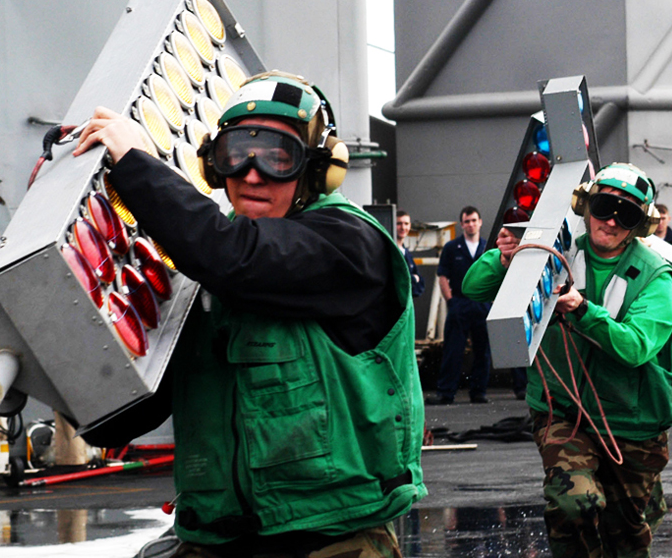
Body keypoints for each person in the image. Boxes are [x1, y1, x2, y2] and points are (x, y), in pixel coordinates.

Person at [72, 71, 426, 557]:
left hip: (329, 538)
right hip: (216, 536)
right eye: (236, 155)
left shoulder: (349, 244)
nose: (253, 173)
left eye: (279, 157)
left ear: (317, 170)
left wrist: (135, 165)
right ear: (214, 165)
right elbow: (127, 412)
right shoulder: (209, 267)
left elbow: (239, 258)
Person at [462, 163, 672, 557]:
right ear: (586, 206)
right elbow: (473, 286)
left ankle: (643, 504)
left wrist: (583, 309)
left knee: (626, 536)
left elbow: (635, 347)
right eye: (603, 207)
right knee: (573, 504)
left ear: (639, 225)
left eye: (626, 214)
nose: (611, 221)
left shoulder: (656, 278)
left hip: (632, 425)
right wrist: (504, 258)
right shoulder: (556, 248)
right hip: (564, 411)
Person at [425, 207, 494, 404]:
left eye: (474, 220)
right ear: (462, 224)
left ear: (480, 222)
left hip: (482, 304)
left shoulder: (487, 248)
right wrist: (451, 302)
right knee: (453, 351)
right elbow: (443, 276)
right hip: (460, 305)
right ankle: (446, 393)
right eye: (467, 221)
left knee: (483, 350)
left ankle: (478, 392)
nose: (471, 224)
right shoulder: (451, 248)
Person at [396, 210, 425, 297]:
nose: (403, 227)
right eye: (399, 223)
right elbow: (398, 282)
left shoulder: (407, 253)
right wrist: (413, 279)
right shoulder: (391, 251)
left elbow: (421, 285)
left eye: (406, 224)